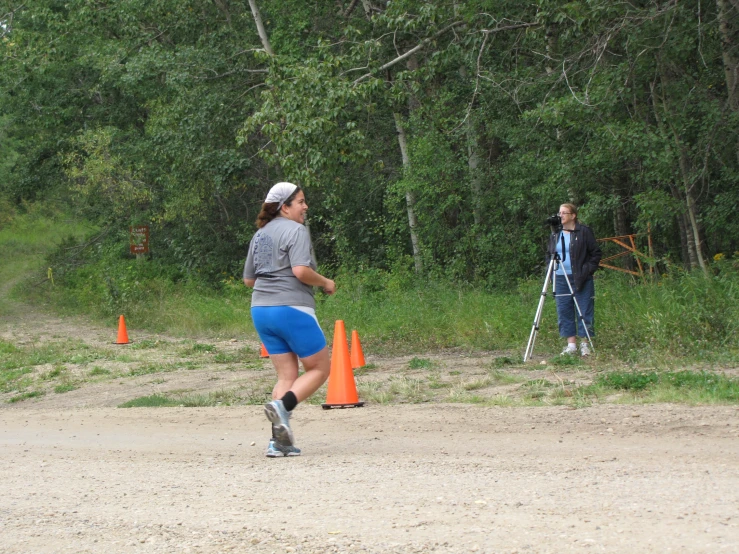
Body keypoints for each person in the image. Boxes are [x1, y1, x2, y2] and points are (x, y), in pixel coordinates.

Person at [243, 182, 336, 457]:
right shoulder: (296, 230)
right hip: (291, 308)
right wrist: (325, 281)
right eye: (301, 202)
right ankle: (284, 406)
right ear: (285, 207)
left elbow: (249, 280)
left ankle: (279, 442)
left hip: (260, 310)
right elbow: (300, 271)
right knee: (319, 369)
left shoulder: (259, 235)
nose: (306, 207)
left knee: (286, 374)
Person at [546, 203, 602, 356]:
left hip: (581, 276)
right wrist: (550, 274)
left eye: (564, 212)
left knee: (584, 309)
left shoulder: (583, 232)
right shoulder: (555, 233)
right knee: (564, 310)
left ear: (573, 215)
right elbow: (549, 254)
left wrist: (588, 270)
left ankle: (585, 344)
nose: (560, 215)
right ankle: (571, 345)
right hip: (560, 277)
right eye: (559, 212)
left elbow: (595, 253)